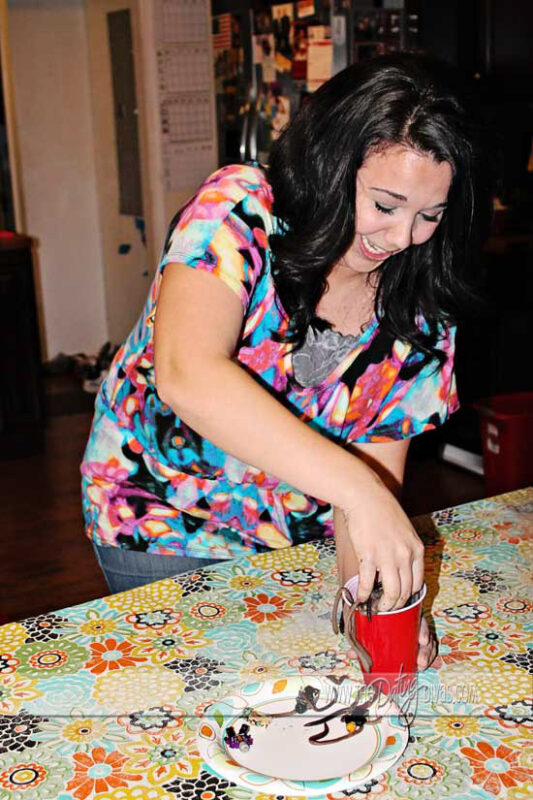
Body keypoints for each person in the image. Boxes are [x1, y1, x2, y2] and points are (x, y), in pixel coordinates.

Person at [82, 55, 488, 671]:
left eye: (429, 215)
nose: (402, 237)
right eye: (385, 204)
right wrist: (359, 492)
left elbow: (373, 487)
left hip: (294, 536)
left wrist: (373, 604)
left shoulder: (422, 306)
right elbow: (187, 373)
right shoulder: (239, 208)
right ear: (333, 165)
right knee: (199, 696)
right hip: (158, 514)